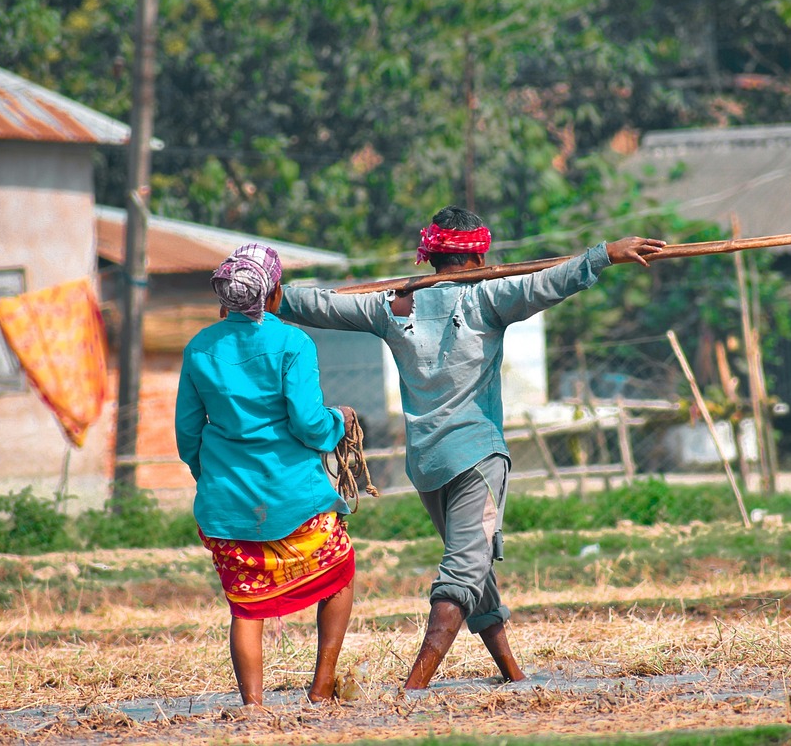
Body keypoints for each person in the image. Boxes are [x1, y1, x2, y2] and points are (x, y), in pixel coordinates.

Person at [278, 206, 666, 689]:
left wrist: (268, 293)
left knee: (473, 568)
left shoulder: (392, 306)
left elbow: (318, 305)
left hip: (428, 465)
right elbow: (548, 283)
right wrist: (604, 255)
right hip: (478, 457)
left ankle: (512, 674)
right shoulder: (489, 298)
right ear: (479, 254)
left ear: (430, 256)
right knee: (463, 574)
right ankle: (413, 688)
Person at [175, 243, 358, 707]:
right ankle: (321, 686)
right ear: (273, 294)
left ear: (226, 299)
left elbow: (187, 435)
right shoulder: (293, 343)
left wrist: (212, 476)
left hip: (226, 503)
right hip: (295, 498)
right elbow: (307, 423)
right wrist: (339, 421)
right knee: (339, 569)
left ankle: (253, 707)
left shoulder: (199, 349)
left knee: (246, 604)